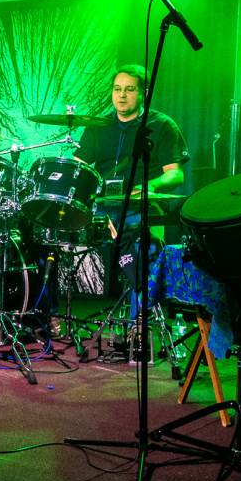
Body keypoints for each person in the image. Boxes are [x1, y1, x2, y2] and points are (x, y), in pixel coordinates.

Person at [74, 64, 188, 345]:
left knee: (141, 253)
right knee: (56, 239)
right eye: (117, 89)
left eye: (129, 89)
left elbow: (175, 174)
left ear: (143, 93)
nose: (121, 95)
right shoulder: (98, 126)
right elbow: (79, 168)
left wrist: (151, 185)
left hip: (142, 209)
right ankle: (56, 318)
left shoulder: (161, 125)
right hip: (102, 208)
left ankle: (139, 324)